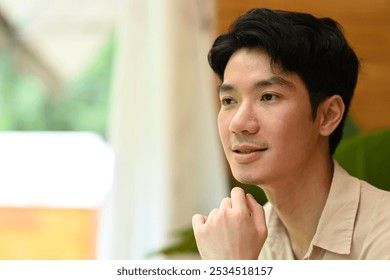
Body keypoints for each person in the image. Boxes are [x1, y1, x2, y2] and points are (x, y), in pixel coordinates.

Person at [192, 8, 390, 260]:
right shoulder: (246, 237)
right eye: (229, 100)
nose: (239, 123)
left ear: (328, 115)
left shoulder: (382, 236)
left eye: (268, 97)